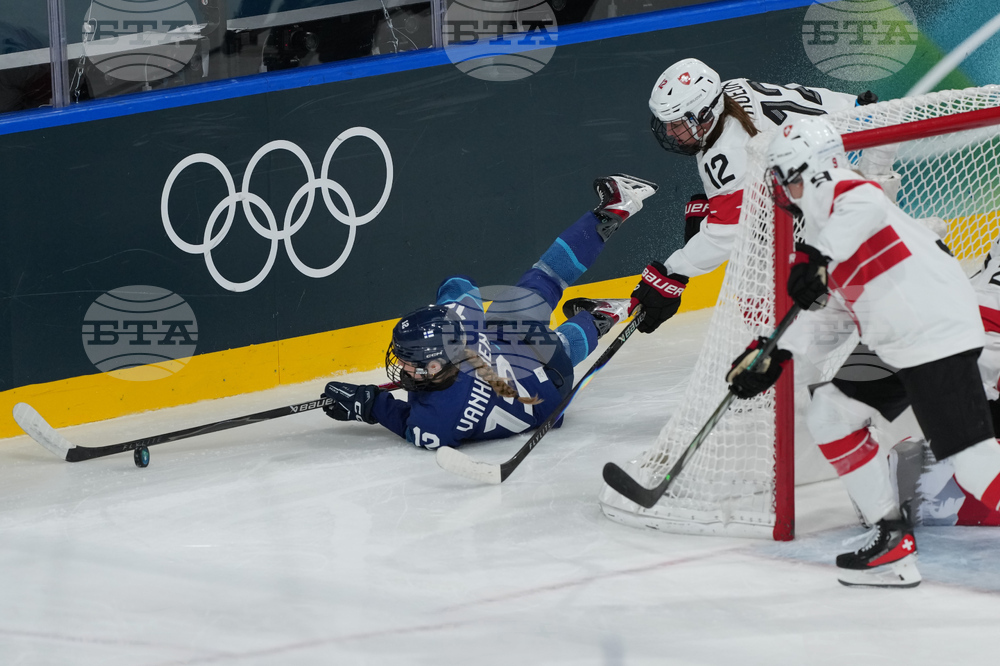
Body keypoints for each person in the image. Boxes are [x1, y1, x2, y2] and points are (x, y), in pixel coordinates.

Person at [725, 116, 1000, 587]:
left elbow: (865, 201)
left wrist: (818, 257)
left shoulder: (847, 196)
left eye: (784, 178)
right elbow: (821, 312)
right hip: (895, 342)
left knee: (973, 463)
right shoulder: (819, 233)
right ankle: (892, 544)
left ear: (805, 171)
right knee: (829, 414)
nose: (780, 190)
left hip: (935, 333)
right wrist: (773, 354)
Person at [319, 174, 657, 450]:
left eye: (409, 360)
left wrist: (369, 404)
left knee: (554, 350)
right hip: (518, 354)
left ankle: (603, 316)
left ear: (436, 364)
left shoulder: (436, 420)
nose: (402, 365)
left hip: (549, 393)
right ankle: (614, 210)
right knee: (545, 278)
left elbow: (410, 424)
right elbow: (459, 283)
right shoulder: (459, 328)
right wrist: (372, 405)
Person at [630, 57, 878, 333]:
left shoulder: (727, 153)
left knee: (759, 289)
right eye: (666, 123)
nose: (669, 131)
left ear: (703, 114)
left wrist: (672, 273)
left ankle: (796, 343)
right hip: (855, 122)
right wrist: (719, 203)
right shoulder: (728, 92)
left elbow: (726, 234)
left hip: (853, 159)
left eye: (676, 123)